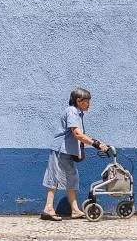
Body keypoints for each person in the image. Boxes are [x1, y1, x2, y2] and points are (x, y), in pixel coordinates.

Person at [41, 89, 113, 221]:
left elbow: (78, 136)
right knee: (54, 178)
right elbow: (77, 134)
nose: (89, 104)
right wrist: (97, 144)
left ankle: (74, 210)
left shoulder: (78, 114)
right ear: (78, 101)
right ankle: (48, 208)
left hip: (68, 151)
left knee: (72, 179)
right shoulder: (72, 111)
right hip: (60, 150)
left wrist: (83, 149)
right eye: (86, 101)